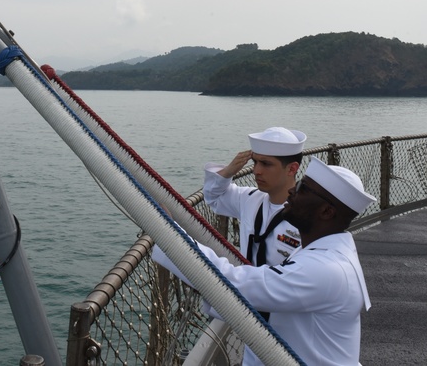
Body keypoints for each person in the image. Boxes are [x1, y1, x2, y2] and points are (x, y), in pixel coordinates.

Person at [154, 158, 374, 366]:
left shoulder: (325, 269)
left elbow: (236, 285)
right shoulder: (321, 253)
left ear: (326, 211)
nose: (292, 190)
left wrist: (168, 233)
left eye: (303, 189)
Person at [204, 127, 306, 268]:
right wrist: (228, 172)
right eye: (255, 162)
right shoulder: (250, 199)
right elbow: (214, 197)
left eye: (266, 164)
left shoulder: (309, 216)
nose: (256, 171)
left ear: (292, 169)